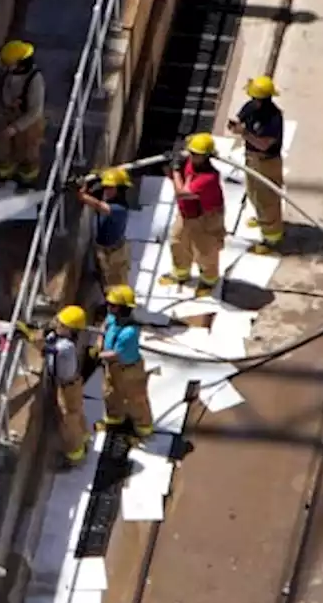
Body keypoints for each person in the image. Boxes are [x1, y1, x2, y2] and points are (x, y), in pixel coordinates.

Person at [16, 305, 93, 467]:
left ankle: (75, 455)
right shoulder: (61, 336)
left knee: (68, 421)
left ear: (71, 331)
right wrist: (35, 327)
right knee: (76, 413)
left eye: (62, 325)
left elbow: (44, 347)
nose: (57, 325)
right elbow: (48, 330)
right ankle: (84, 437)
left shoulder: (66, 347)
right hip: (70, 384)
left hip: (68, 388)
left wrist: (29, 336)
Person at [159, 133, 225, 297]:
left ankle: (209, 281)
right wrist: (169, 167)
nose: (192, 156)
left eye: (196, 155)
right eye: (192, 153)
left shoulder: (209, 178)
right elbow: (177, 181)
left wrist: (175, 171)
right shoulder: (189, 162)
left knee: (205, 251)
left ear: (207, 156)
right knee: (177, 241)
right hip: (187, 213)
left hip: (206, 218)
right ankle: (181, 274)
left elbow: (181, 193)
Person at [228, 75, 285, 255]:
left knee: (268, 199)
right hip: (252, 158)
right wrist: (235, 124)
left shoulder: (273, 118)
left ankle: (272, 238)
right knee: (253, 193)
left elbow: (264, 144)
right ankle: (263, 219)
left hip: (267, 161)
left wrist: (244, 133)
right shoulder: (251, 107)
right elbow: (240, 118)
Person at [95, 284, 153, 443]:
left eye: (112, 305)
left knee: (135, 399)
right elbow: (104, 326)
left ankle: (143, 428)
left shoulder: (129, 332)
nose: (108, 307)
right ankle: (114, 420)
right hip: (113, 367)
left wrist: (97, 355)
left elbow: (115, 353)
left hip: (129, 370)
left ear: (122, 308)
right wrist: (99, 340)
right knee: (111, 393)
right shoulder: (113, 317)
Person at [0, 40, 46, 191]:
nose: (7, 66)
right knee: (2, 146)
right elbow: (3, 66)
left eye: (9, 64)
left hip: (28, 121)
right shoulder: (13, 69)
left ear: (20, 63)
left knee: (28, 151)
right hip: (9, 113)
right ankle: (4, 173)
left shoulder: (35, 80)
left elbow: (35, 111)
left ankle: (27, 179)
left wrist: (15, 128)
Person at [78, 167, 132, 289]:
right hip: (104, 250)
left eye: (110, 188)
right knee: (105, 277)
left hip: (115, 254)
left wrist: (82, 192)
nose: (106, 191)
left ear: (120, 190)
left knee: (117, 284)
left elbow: (97, 205)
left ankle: (116, 303)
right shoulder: (108, 199)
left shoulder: (120, 209)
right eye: (105, 187)